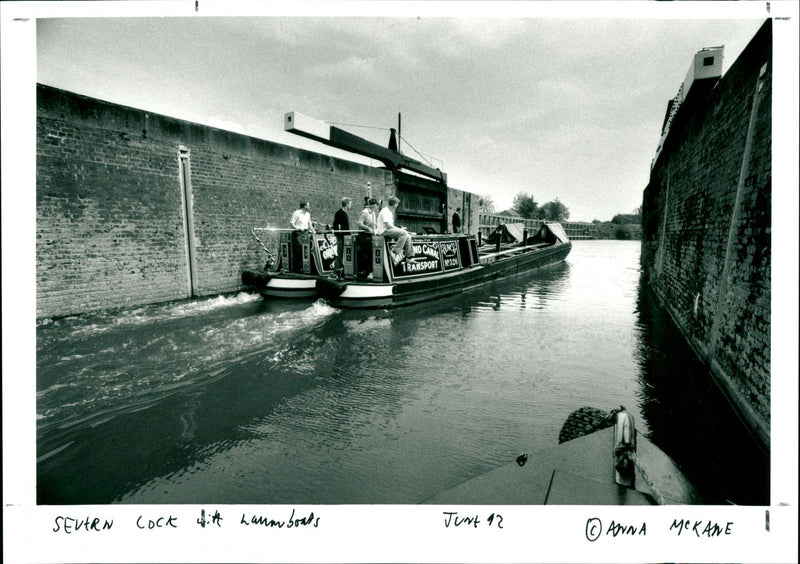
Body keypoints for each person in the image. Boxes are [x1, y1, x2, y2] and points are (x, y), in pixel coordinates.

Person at [376, 196, 415, 263]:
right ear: (395, 204)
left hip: (387, 230)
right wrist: (400, 230)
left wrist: (399, 229)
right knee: (404, 233)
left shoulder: (388, 211)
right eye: (397, 204)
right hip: (383, 231)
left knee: (407, 235)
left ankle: (409, 257)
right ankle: (395, 252)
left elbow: (390, 226)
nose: (397, 205)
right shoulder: (385, 211)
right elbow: (388, 225)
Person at [356, 198, 379, 278]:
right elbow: (359, 223)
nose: (377, 207)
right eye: (376, 205)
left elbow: (374, 224)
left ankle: (369, 272)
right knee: (366, 254)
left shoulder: (373, 214)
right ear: (373, 205)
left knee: (370, 254)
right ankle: (366, 272)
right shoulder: (365, 212)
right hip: (364, 236)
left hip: (370, 236)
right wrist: (368, 228)